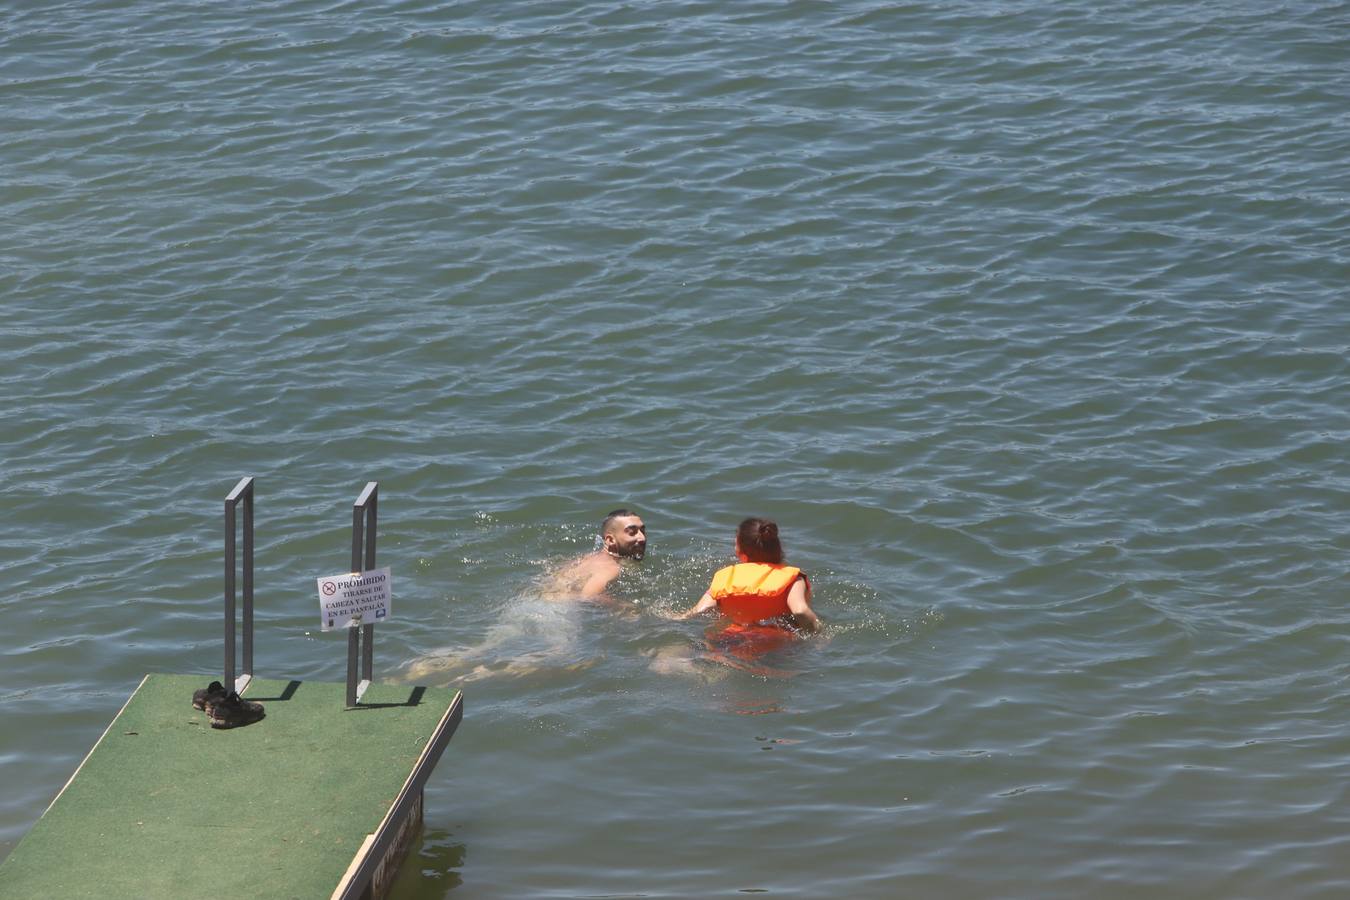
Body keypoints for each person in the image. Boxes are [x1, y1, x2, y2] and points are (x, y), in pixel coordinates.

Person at [679, 517, 820, 635]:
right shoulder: (793, 579)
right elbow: (800, 611)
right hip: (775, 646)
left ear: (741, 553)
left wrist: (674, 617)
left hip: (732, 638)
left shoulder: (728, 578)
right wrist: (820, 635)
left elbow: (700, 610)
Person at [550, 508, 647, 599]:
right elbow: (588, 596)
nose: (642, 538)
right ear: (610, 540)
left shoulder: (587, 558)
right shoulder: (611, 568)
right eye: (632, 532)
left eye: (642, 531)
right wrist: (628, 609)